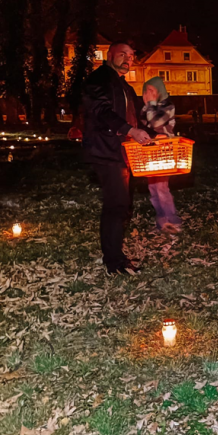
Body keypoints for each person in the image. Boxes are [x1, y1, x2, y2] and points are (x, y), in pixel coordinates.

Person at [82, 43, 150, 274]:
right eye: (123, 54)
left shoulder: (124, 86)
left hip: (124, 153)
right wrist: (130, 131)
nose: (128, 59)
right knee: (116, 205)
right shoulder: (98, 80)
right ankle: (114, 262)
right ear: (109, 55)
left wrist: (148, 132)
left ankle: (115, 256)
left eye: (131, 55)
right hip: (106, 151)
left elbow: (133, 117)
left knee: (123, 205)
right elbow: (101, 111)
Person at [140, 76, 183, 234]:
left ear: (159, 91)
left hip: (165, 151)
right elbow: (145, 122)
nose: (148, 94)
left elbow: (157, 124)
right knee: (153, 188)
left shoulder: (167, 105)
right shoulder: (148, 107)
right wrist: (147, 106)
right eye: (146, 91)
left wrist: (150, 105)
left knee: (161, 187)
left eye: (152, 90)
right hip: (151, 152)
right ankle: (161, 221)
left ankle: (172, 220)